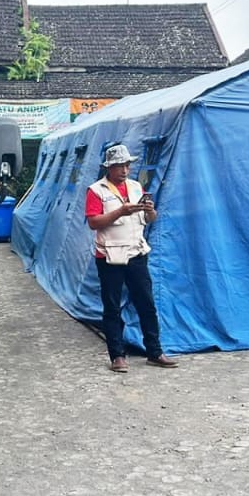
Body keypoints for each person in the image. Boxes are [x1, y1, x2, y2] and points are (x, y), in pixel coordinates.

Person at [85, 143, 178, 373]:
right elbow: (93, 222)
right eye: (119, 166)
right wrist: (120, 211)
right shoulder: (96, 190)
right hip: (109, 256)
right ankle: (117, 355)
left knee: (146, 304)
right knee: (112, 307)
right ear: (109, 167)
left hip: (136, 253)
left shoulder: (136, 187)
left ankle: (155, 352)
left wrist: (149, 210)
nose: (125, 170)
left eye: (127, 165)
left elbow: (150, 219)